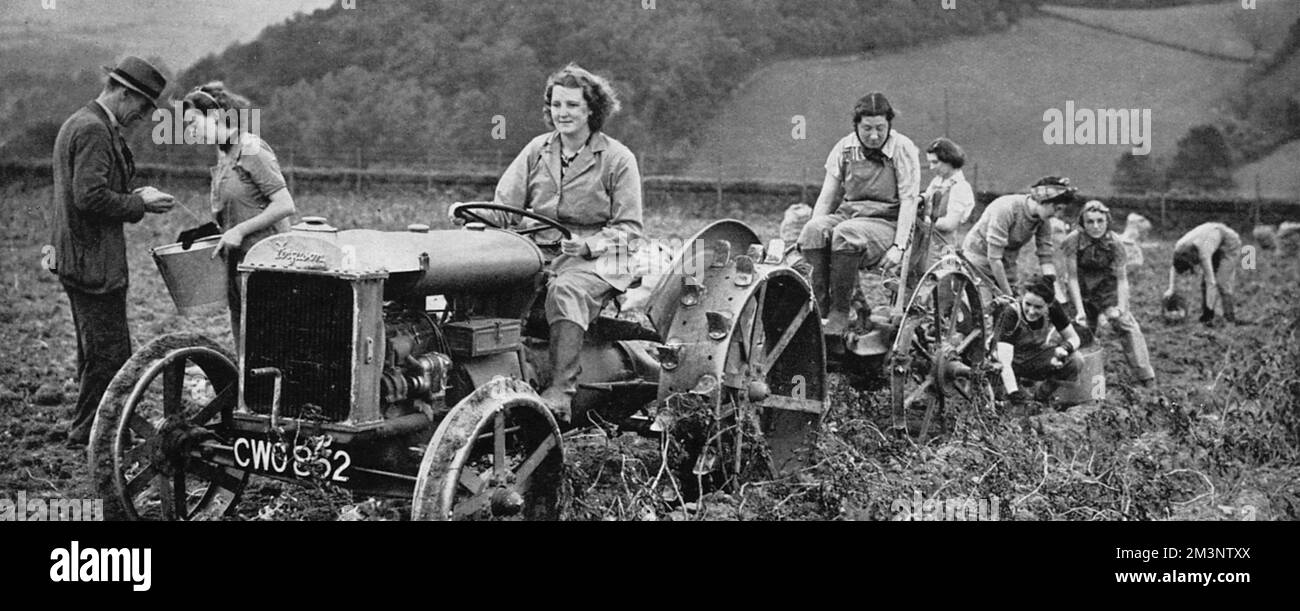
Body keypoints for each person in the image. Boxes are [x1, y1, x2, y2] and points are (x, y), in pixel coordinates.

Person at [487, 64, 643, 422]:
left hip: (602, 257)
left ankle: (561, 390)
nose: (563, 113)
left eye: (573, 105)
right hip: (538, 249)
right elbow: (504, 208)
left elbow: (630, 229)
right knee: (491, 279)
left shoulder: (618, 159)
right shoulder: (536, 150)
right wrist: (470, 219)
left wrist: (589, 246)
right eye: (557, 105)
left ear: (591, 109)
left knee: (566, 290)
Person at [50, 56, 176, 446]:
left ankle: (88, 429)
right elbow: (89, 197)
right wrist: (141, 205)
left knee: (96, 351)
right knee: (110, 354)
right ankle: (94, 434)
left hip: (80, 256)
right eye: (142, 106)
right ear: (124, 93)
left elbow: (92, 190)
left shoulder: (85, 122)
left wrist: (132, 195)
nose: (142, 116)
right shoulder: (93, 130)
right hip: (93, 261)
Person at [797, 92, 921, 336]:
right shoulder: (844, 148)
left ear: (889, 125)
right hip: (850, 216)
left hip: (885, 223)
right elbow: (826, 197)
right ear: (856, 125)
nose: (874, 135)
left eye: (880, 128)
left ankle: (841, 312)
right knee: (812, 230)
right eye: (867, 129)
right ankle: (818, 309)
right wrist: (809, 231)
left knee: (845, 233)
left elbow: (909, 200)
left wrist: (899, 246)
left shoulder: (902, 149)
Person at [180, 82, 297, 340]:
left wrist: (240, 230)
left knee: (265, 342)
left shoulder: (252, 149)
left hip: (267, 264)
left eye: (193, 123)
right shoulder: (225, 155)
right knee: (244, 342)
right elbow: (235, 208)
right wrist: (209, 231)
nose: (190, 131)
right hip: (238, 265)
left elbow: (284, 204)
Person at [1060, 201, 1155, 386]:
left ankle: (1146, 376)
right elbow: (1071, 278)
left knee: (1126, 325)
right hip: (1081, 290)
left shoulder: (1115, 242)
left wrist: (1121, 308)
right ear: (1083, 223)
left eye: (1100, 221)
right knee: (1080, 331)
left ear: (1107, 221)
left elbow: (1122, 279)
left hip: (1106, 289)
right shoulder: (1073, 239)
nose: (1096, 226)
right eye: (1090, 222)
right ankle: (1079, 379)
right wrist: (1079, 310)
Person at [962, 176, 1075, 299]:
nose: (1057, 215)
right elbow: (994, 258)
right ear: (1043, 199)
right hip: (978, 262)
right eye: (1057, 208)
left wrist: (1057, 296)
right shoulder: (1006, 209)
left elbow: (1046, 258)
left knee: (1013, 312)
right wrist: (1008, 295)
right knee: (986, 307)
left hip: (1007, 265)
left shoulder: (1043, 220)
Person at [994, 275, 1084, 405]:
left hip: (1033, 357)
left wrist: (1065, 349)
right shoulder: (1011, 314)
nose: (1031, 311)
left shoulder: (1053, 308)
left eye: (1038, 307)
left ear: (1048, 305)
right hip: (1007, 364)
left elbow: (1074, 338)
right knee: (1012, 405)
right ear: (1022, 298)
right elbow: (1004, 362)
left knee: (1075, 359)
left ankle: (1041, 397)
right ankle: (1017, 390)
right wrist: (1014, 393)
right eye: (1028, 304)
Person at [1164, 222, 1243, 325]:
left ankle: (1229, 318)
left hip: (1229, 242)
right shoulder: (1179, 247)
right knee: (1204, 284)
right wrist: (1171, 289)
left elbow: (1211, 282)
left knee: (1222, 282)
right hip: (1211, 236)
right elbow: (1174, 266)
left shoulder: (1204, 253)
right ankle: (1207, 316)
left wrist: (1209, 311)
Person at [918, 137, 975, 268]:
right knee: (918, 278)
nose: (931, 167)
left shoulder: (960, 187)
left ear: (949, 160)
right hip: (927, 243)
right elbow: (926, 199)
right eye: (930, 162)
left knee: (944, 278)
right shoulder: (937, 181)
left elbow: (950, 224)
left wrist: (922, 220)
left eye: (935, 162)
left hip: (946, 247)